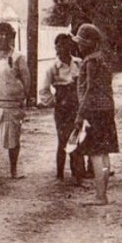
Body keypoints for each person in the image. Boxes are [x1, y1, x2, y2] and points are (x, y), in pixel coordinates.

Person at [73, 23, 119, 205]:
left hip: (94, 111)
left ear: (91, 43)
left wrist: (80, 114)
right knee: (104, 153)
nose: (79, 45)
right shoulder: (103, 59)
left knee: (95, 154)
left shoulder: (90, 61)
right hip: (106, 109)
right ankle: (103, 193)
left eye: (82, 42)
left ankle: (100, 196)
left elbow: (90, 89)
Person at [0, 22, 31, 182]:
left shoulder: (18, 57)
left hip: (11, 103)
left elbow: (26, 80)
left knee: (13, 139)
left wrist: (23, 99)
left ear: (11, 37)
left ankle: (14, 170)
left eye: (6, 34)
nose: (2, 37)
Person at [38, 33, 85, 184]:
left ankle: (77, 173)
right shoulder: (53, 68)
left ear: (70, 46)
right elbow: (43, 90)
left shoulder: (79, 64)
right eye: (58, 46)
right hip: (62, 109)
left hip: (77, 107)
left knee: (77, 138)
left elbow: (85, 84)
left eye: (64, 45)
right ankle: (60, 173)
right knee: (63, 139)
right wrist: (54, 102)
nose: (61, 49)